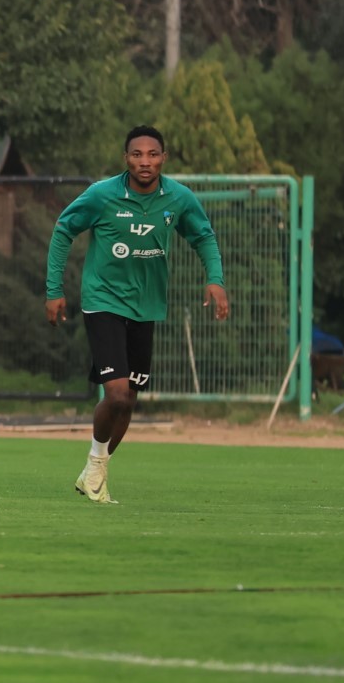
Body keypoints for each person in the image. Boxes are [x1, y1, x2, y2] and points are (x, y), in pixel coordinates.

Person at [46, 125, 227, 504]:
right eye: (137, 154)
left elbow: (204, 236)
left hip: (147, 306)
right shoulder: (102, 195)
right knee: (115, 393)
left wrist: (215, 280)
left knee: (128, 400)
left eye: (153, 154)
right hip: (103, 300)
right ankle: (97, 465)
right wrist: (54, 291)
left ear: (164, 157)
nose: (145, 161)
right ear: (125, 159)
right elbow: (64, 229)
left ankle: (96, 470)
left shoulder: (178, 198)